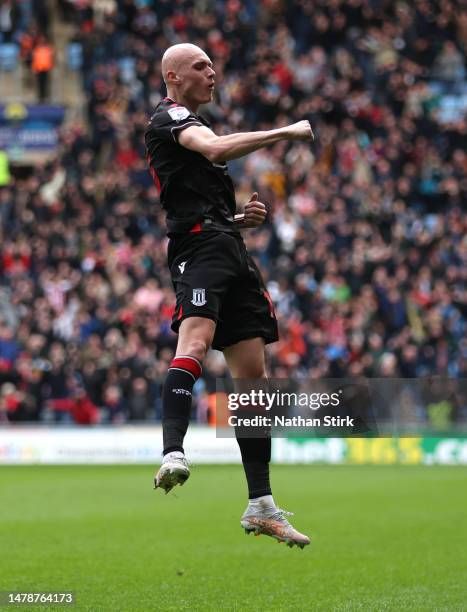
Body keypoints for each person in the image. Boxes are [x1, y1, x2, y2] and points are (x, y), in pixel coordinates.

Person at [145, 43, 313, 548]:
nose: (212, 72)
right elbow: (215, 149)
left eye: (214, 64)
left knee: (253, 377)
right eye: (200, 66)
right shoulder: (171, 117)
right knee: (193, 345)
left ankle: (260, 505)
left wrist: (239, 220)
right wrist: (284, 131)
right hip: (200, 251)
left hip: (229, 248)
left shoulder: (191, 124)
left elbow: (197, 184)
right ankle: (173, 451)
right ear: (173, 76)